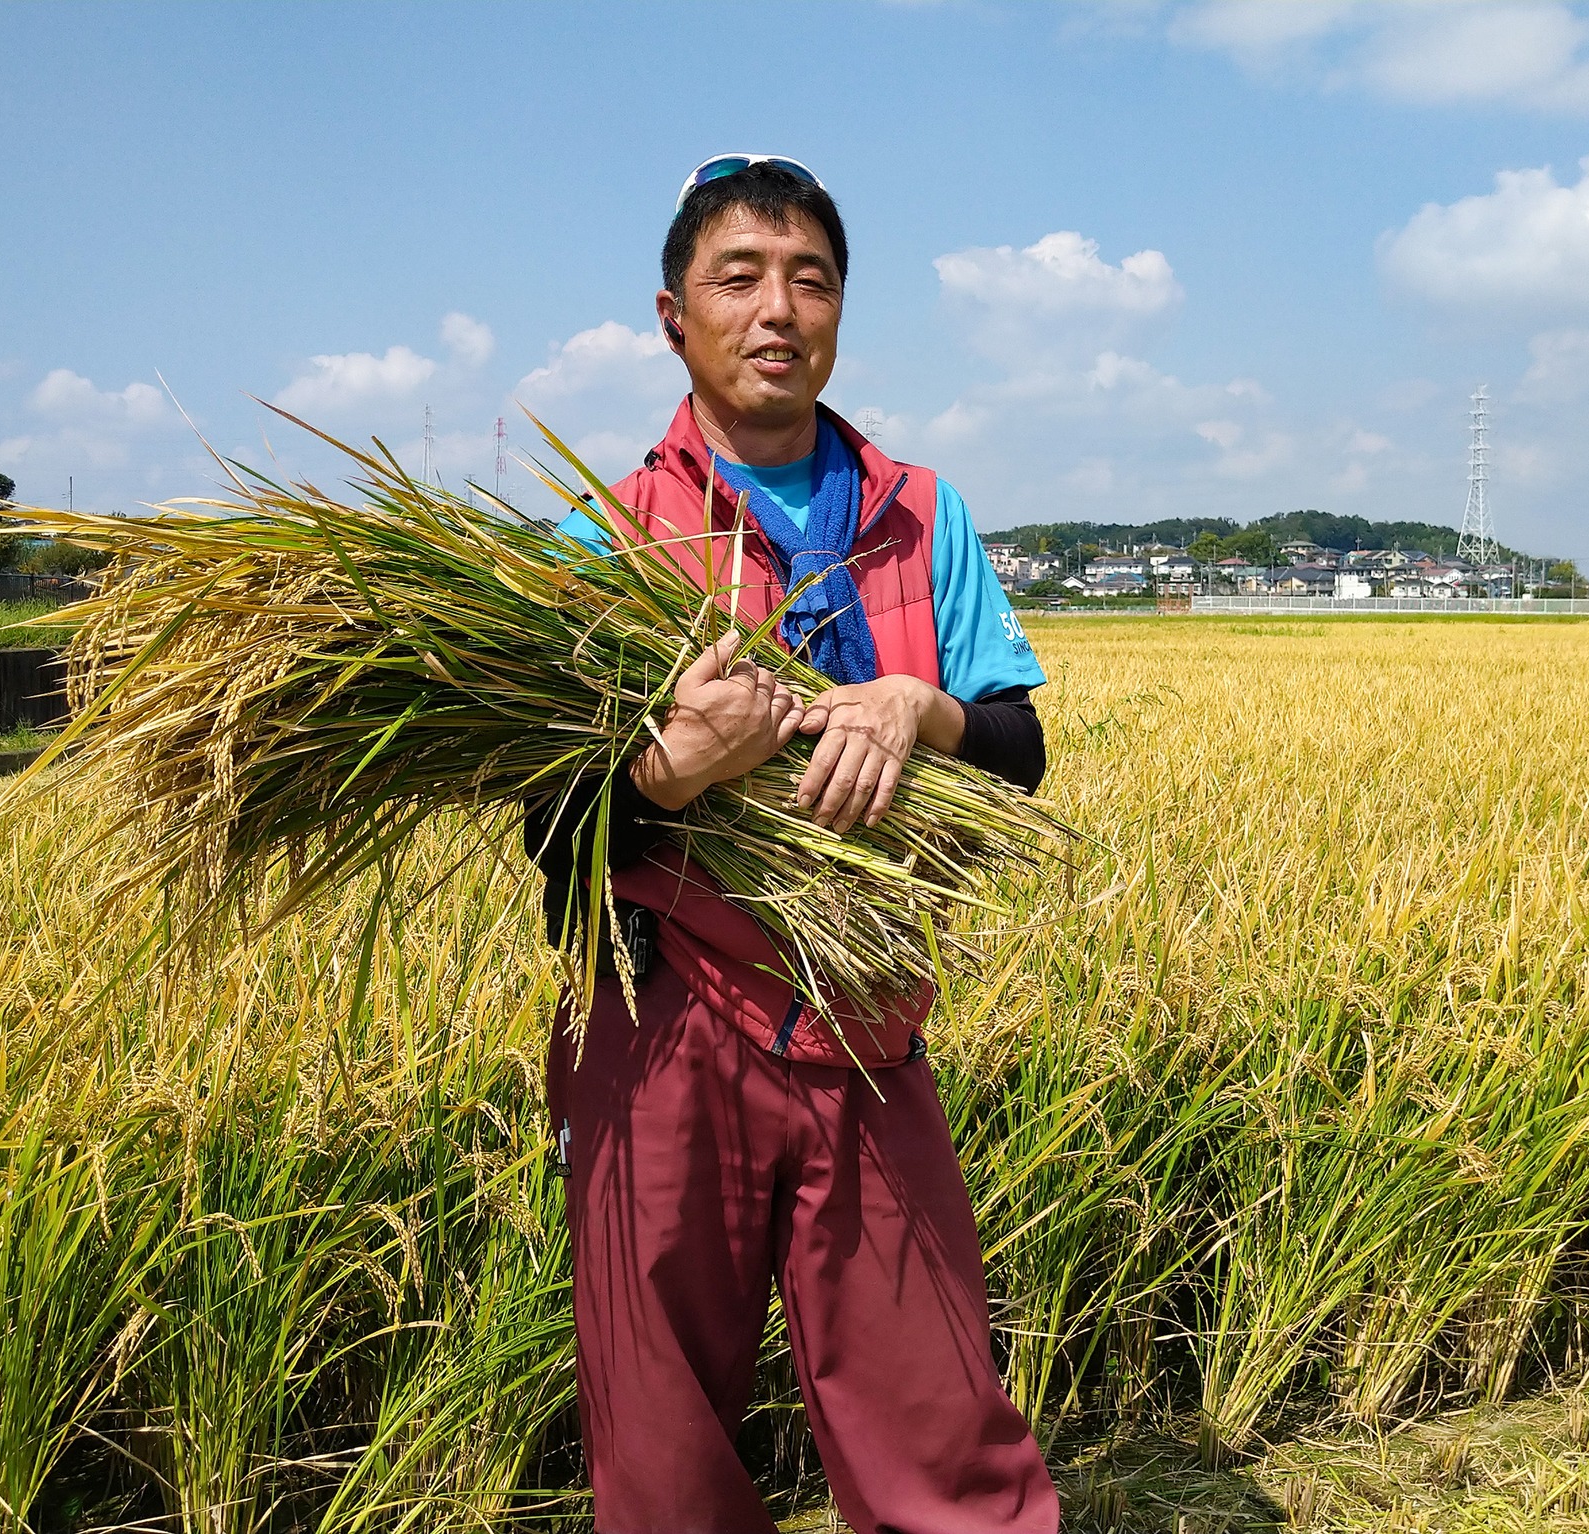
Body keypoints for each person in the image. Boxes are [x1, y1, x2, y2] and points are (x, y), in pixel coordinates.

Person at [536, 153, 1058, 1534]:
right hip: (663, 1026)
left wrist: (923, 704)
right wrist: (663, 770)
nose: (780, 308)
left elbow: (1020, 752)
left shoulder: (921, 514)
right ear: (673, 316)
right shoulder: (610, 538)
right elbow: (545, 826)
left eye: (810, 278)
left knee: (941, 1427)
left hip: (868, 1024)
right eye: (740, 277)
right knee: (665, 1461)